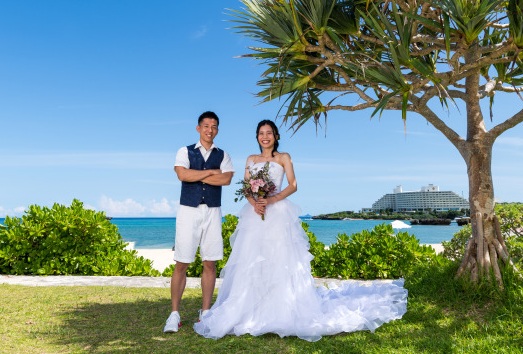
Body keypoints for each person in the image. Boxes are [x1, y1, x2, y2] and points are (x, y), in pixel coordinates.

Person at [193, 120, 408, 342]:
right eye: (261, 133)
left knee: (279, 259)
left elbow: (293, 185)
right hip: (255, 214)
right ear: (257, 137)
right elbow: (247, 187)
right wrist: (255, 203)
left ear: (276, 136)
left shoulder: (284, 157)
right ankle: (250, 308)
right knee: (253, 259)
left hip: (278, 213)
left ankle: (280, 309)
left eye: (269, 133)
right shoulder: (251, 159)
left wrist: (271, 200)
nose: (265, 137)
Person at [163, 111, 234, 333]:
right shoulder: (185, 151)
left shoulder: (223, 154)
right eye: (206, 126)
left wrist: (198, 174)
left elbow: (226, 179)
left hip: (212, 211)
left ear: (217, 130)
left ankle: (205, 312)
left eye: (214, 126)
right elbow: (182, 175)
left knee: (210, 263)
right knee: (181, 263)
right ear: (198, 128)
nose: (209, 130)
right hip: (188, 211)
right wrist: (211, 172)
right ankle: (174, 314)